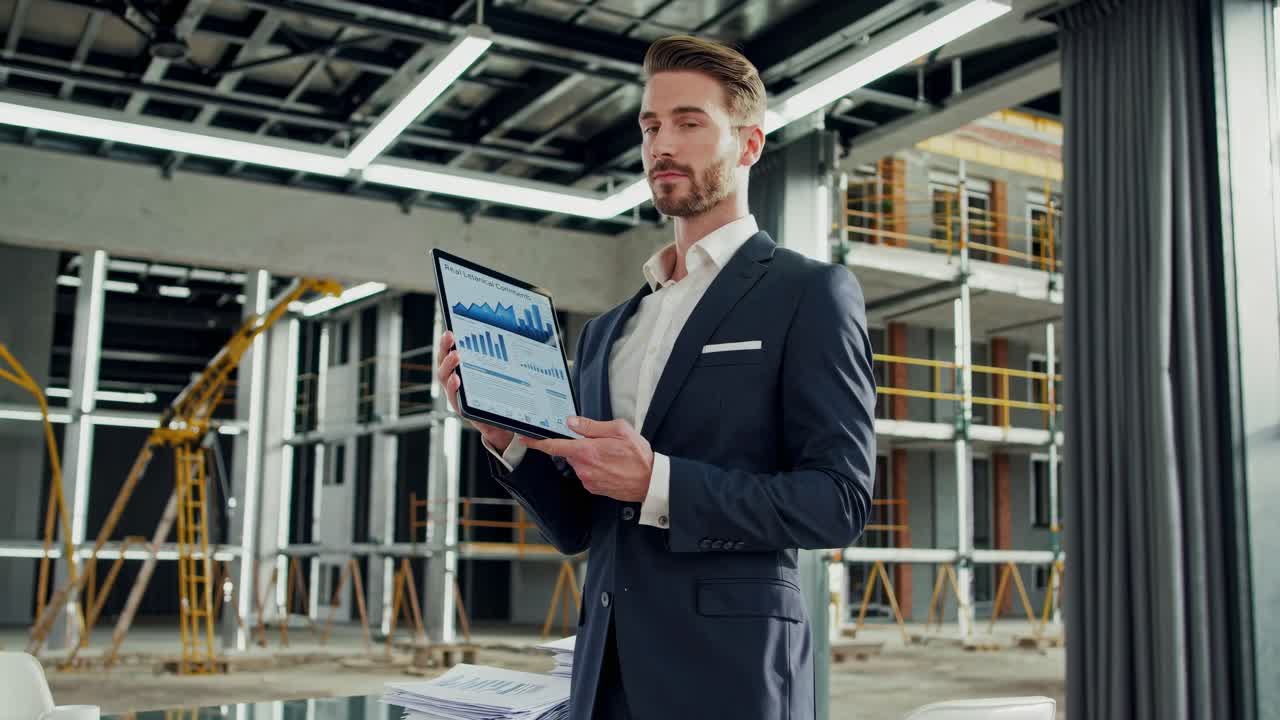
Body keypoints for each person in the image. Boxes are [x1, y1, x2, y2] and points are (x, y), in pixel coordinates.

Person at [434, 34, 877, 720]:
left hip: (728, 679)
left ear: (750, 144)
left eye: (689, 122)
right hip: (602, 679)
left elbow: (838, 501)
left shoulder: (808, 293)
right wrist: (505, 437)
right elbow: (581, 527)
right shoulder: (608, 330)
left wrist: (659, 483)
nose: (661, 144)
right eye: (650, 125)